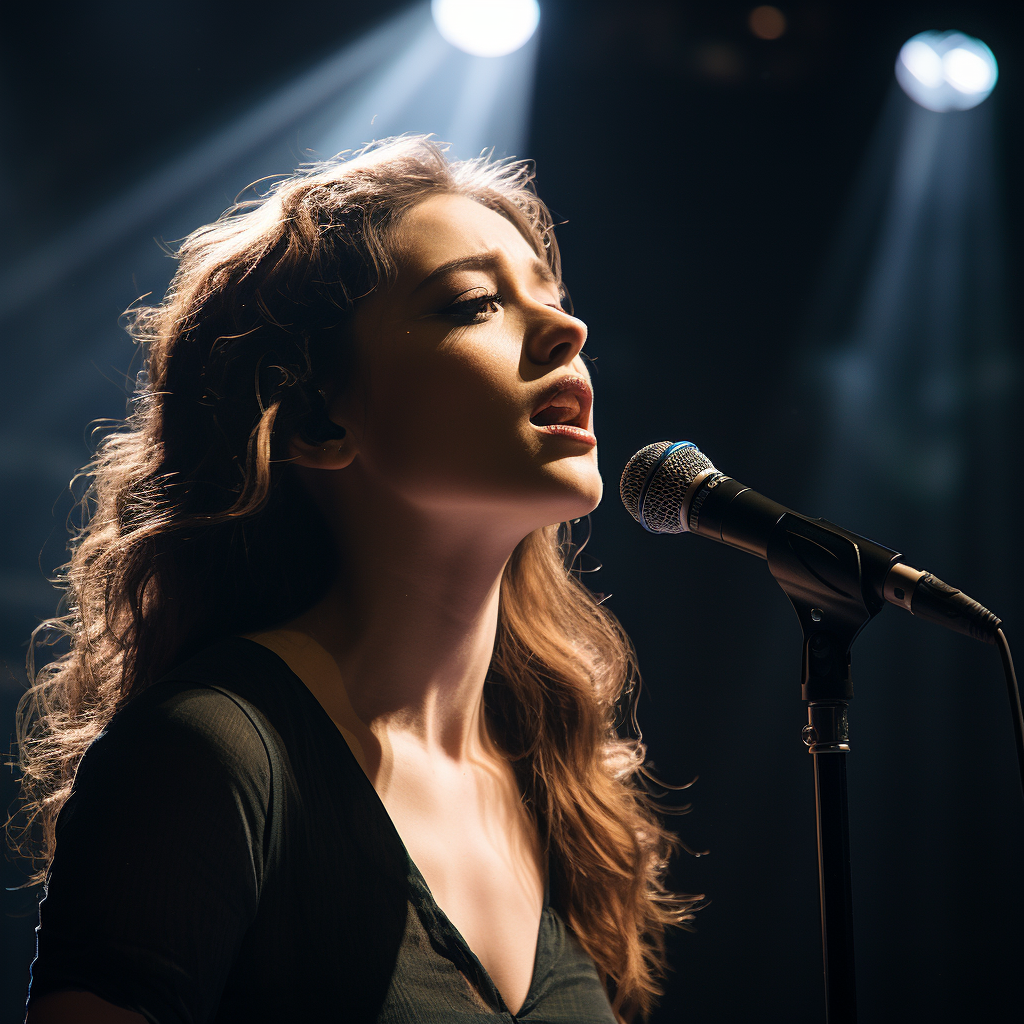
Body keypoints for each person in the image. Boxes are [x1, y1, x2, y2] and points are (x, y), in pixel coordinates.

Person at [11, 135, 701, 1024]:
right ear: (314, 419)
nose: (568, 330)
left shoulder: (554, 782)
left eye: (553, 296)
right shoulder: (213, 752)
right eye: (476, 302)